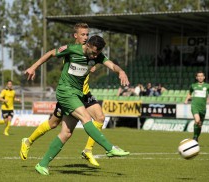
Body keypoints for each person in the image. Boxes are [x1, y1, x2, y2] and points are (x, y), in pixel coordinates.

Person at [25, 35, 130, 175]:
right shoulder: (72, 49)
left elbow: (112, 65)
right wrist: (33, 67)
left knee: (66, 133)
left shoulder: (96, 55)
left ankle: (42, 164)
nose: (94, 56)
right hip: (65, 92)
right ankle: (109, 148)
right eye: (93, 52)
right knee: (86, 117)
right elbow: (51, 53)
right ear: (87, 45)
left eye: (97, 54)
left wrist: (121, 71)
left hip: (78, 95)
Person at [20, 23, 107, 167]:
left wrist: (95, 64)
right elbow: (51, 54)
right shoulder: (69, 50)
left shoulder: (92, 51)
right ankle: (28, 141)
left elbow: (98, 60)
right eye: (83, 34)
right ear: (76, 36)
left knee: (100, 117)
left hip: (84, 93)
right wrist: (33, 67)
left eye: (87, 34)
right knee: (53, 124)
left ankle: (88, 150)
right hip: (70, 95)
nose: (86, 37)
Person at [184, 71, 209, 142]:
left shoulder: (208, 86)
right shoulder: (193, 85)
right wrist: (186, 99)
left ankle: (196, 137)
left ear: (204, 77)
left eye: (202, 76)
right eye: (199, 76)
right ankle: (195, 137)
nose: (200, 77)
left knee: (199, 124)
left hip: (203, 108)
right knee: (197, 120)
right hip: (194, 106)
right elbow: (189, 93)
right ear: (196, 77)